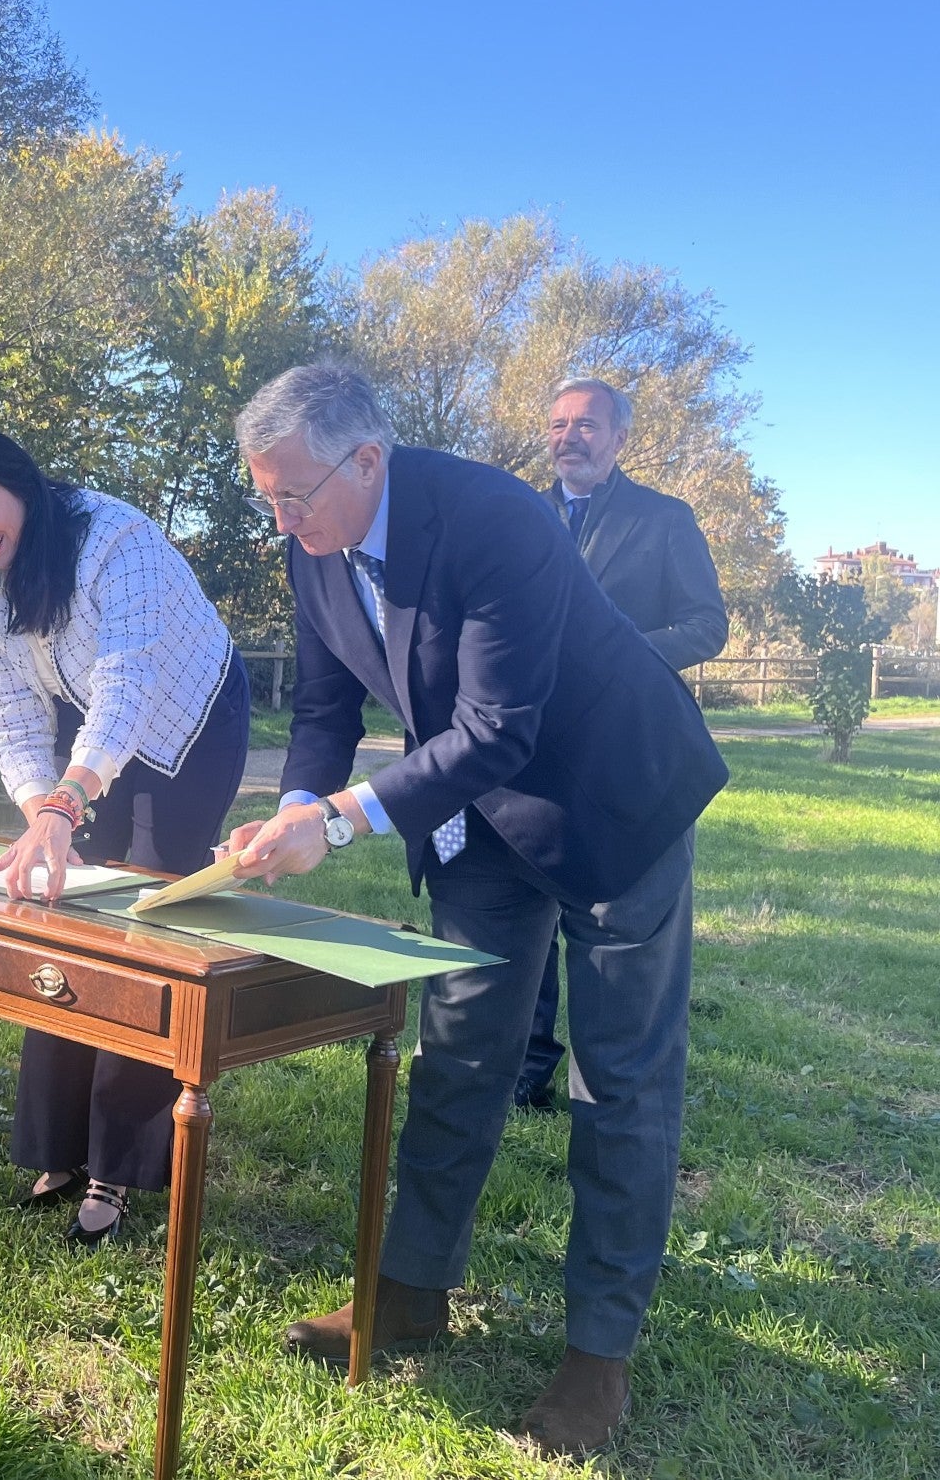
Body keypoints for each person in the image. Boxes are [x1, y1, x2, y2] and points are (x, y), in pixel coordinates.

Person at [222, 363, 727, 1455]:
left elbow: (500, 725)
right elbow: (321, 703)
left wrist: (345, 821)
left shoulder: (491, 516)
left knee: (615, 1081)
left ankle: (598, 1357)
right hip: (478, 820)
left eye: (294, 493)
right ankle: (410, 1293)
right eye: (267, 495)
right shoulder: (310, 543)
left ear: (367, 460)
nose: (281, 516)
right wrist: (295, 805)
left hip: (613, 804)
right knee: (457, 1050)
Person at [0, 424, 250, 1248]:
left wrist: (67, 804)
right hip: (95, 723)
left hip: (190, 716)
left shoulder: (118, 538)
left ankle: (118, 1165)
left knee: (142, 930)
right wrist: (44, 809)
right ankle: (57, 1148)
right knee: (63, 913)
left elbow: (130, 680)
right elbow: (11, 714)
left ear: (22, 485)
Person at [514, 376, 729, 1109]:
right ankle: (526, 1070)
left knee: (617, 917)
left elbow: (707, 624)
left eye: (585, 425)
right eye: (557, 423)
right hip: (537, 747)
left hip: (632, 748)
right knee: (532, 902)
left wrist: (617, 656)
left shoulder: (665, 520)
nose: (568, 436)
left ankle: (608, 1086)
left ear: (619, 438)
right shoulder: (521, 517)